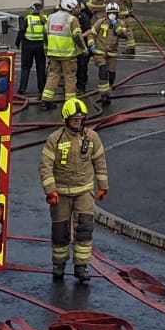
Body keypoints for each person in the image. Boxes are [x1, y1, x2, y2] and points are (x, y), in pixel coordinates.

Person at [39, 97, 108, 283]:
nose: (78, 123)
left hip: (84, 191)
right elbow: (45, 166)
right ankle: (59, 265)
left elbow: (100, 162)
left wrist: (103, 186)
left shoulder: (91, 138)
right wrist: (50, 190)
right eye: (74, 120)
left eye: (80, 119)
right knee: (60, 231)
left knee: (85, 229)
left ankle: (81, 266)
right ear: (66, 120)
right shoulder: (55, 139)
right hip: (60, 194)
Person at [42, 0, 81, 104]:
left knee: (53, 75)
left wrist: (46, 49)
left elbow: (44, 34)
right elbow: (77, 36)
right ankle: (70, 102)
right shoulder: (72, 19)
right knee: (70, 77)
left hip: (53, 53)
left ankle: (46, 100)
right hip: (68, 55)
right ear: (70, 7)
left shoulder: (50, 17)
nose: (77, 10)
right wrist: (83, 49)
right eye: (75, 7)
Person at [89, 3, 126, 104]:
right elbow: (91, 34)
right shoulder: (100, 22)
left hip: (112, 53)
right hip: (100, 52)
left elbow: (123, 35)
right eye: (110, 13)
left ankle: (108, 91)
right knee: (103, 72)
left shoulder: (121, 23)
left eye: (114, 13)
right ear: (107, 13)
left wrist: (115, 25)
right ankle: (104, 95)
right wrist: (91, 45)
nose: (112, 14)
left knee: (111, 75)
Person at [18, 2, 49, 97]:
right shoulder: (46, 19)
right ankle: (42, 88)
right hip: (41, 45)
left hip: (28, 45)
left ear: (33, 10)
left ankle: (22, 88)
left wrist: (17, 42)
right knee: (41, 67)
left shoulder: (28, 18)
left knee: (26, 67)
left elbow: (22, 31)